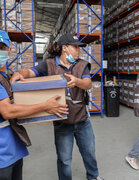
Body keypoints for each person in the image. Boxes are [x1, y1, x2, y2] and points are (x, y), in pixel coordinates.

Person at [11, 33, 103, 180]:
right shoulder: (49, 65)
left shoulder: (82, 64)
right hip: (62, 122)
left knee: (89, 153)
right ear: (65, 48)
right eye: (76, 47)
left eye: (80, 47)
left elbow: (88, 83)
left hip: (82, 120)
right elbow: (30, 72)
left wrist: (77, 81)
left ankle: (93, 176)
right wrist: (18, 73)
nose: (79, 50)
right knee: (64, 160)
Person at [0, 30, 68, 180]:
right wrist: (45, 106)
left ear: (9, 50)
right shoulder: (49, 64)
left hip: (13, 147)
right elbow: (7, 111)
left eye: (1, 47)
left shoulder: (5, 76)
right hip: (2, 154)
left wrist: (19, 74)